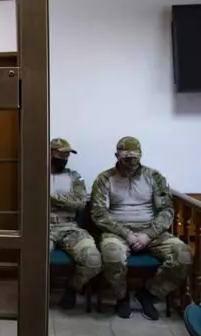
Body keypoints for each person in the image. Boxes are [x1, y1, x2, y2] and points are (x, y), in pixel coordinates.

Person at [91, 136, 192, 320]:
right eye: (127, 157)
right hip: (118, 230)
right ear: (117, 155)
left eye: (135, 157)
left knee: (183, 255)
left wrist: (149, 234)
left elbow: (166, 210)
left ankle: (149, 293)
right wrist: (126, 234)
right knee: (112, 254)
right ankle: (122, 298)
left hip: (150, 230)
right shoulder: (105, 179)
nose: (131, 161)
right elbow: (99, 214)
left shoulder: (153, 177)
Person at [49, 138, 102, 310]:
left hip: (69, 227)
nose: (64, 158)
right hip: (41, 227)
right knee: (32, 259)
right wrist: (66, 198)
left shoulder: (73, 177)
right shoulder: (34, 174)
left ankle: (73, 288)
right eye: (60, 154)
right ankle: (36, 294)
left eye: (67, 155)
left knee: (93, 259)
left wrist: (51, 195)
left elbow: (79, 202)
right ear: (49, 153)